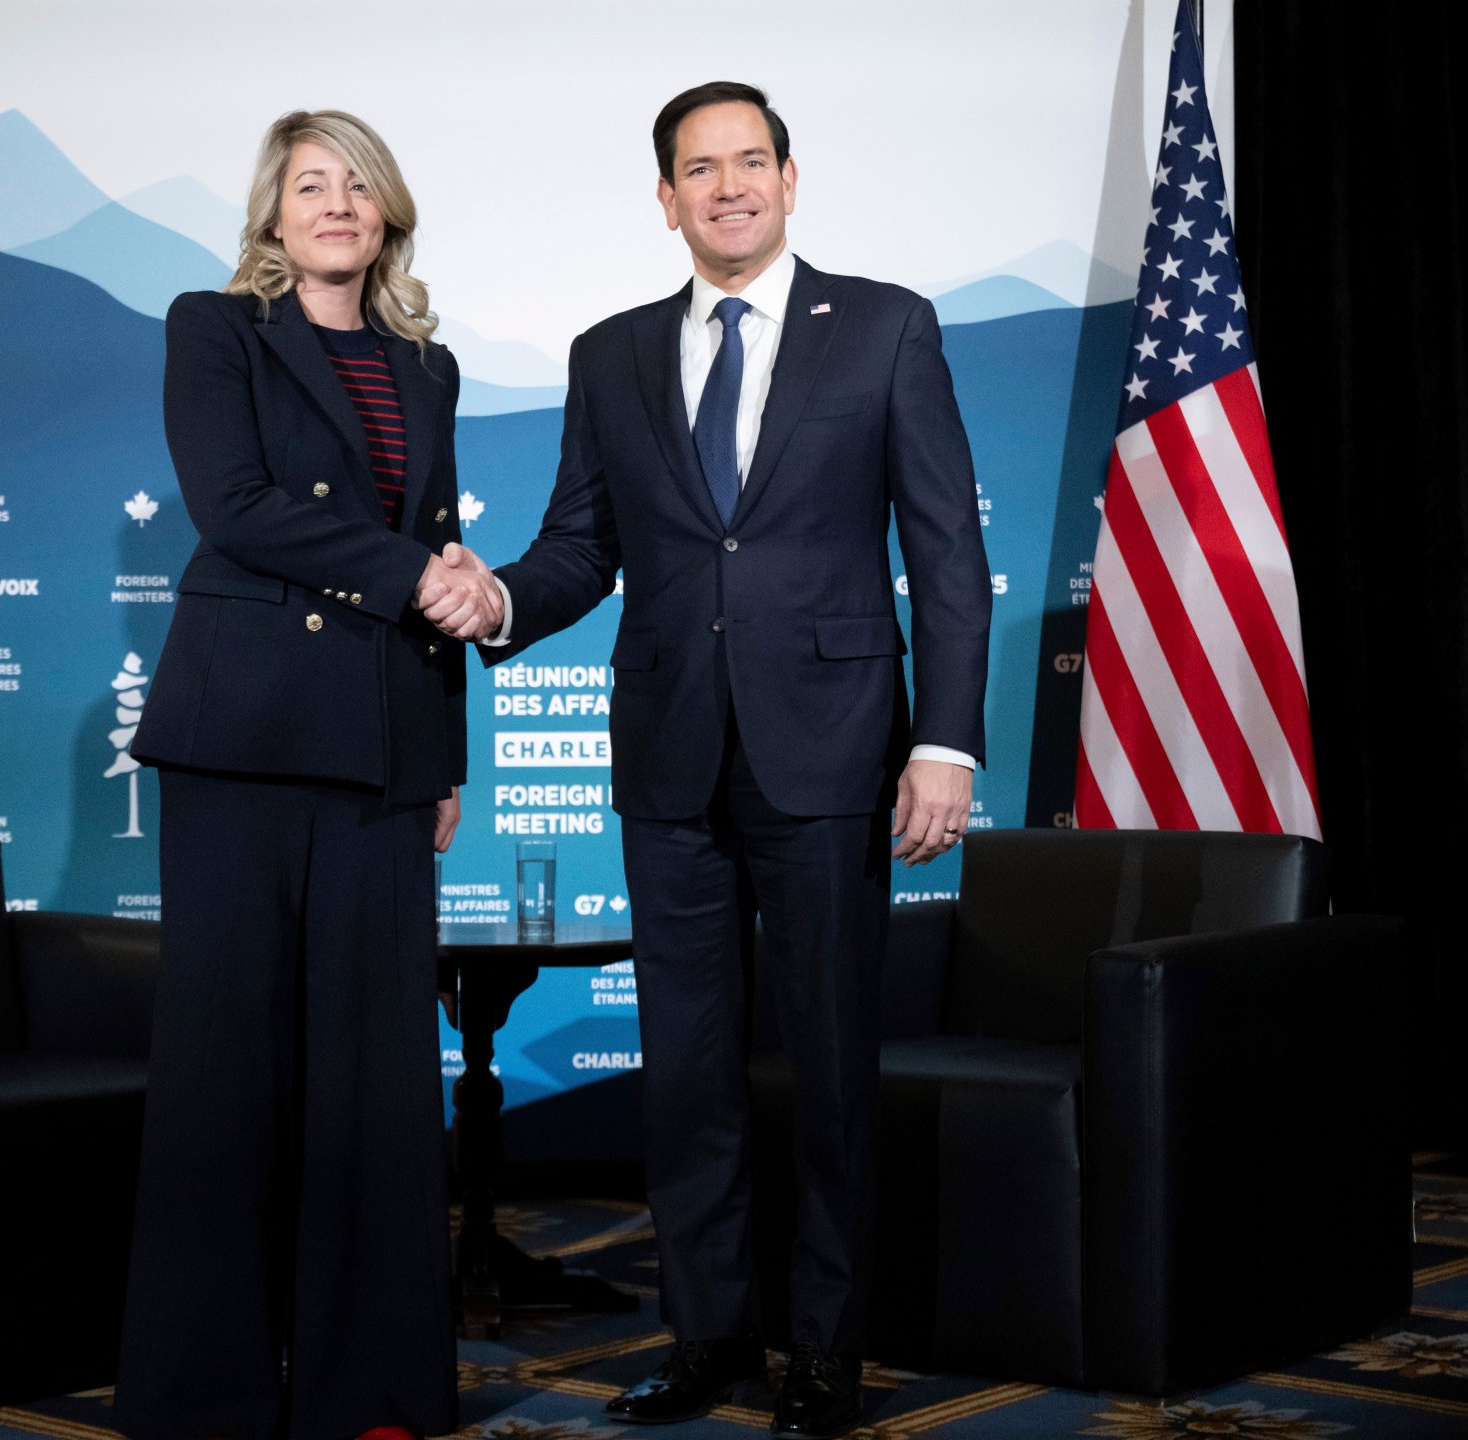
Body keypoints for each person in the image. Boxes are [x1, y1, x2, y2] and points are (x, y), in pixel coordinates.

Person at [419, 81, 990, 1436]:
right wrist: (497, 600)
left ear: (790, 181)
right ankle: (709, 1337)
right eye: (698, 168)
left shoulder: (889, 329)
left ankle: (827, 1351)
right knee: (686, 1070)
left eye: (750, 162)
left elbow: (945, 554)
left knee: (831, 1065)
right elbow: (581, 545)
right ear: (665, 199)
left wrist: (947, 741)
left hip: (837, 751)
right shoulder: (610, 354)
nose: (727, 186)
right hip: (671, 761)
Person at [116, 109, 493, 1440]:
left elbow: (435, 533)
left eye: (356, 185)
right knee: (227, 1071)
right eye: (308, 184)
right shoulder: (213, 329)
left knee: (378, 1083)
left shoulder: (425, 364)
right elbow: (239, 510)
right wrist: (422, 582)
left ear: (386, 212)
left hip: (386, 752)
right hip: (244, 742)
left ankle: (371, 1390)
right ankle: (202, 1394)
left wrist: (445, 753)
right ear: (274, 215)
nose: (335, 204)